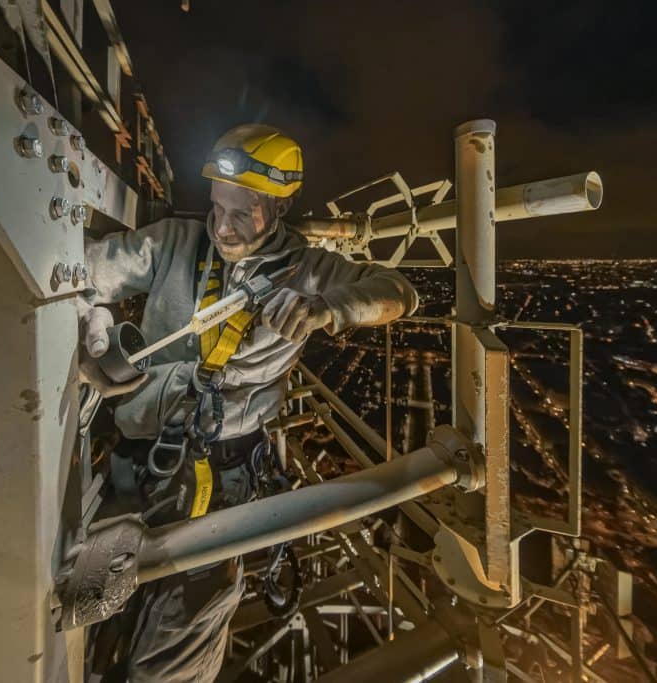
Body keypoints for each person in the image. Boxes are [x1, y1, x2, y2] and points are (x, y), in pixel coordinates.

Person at [77, 124, 418, 683]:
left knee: (176, 644)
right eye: (216, 208)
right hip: (133, 461)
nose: (223, 227)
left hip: (219, 475)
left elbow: (400, 292)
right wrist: (96, 321)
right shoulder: (176, 244)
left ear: (278, 208)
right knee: (90, 607)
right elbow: (86, 274)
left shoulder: (309, 271)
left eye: (241, 213)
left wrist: (326, 309)